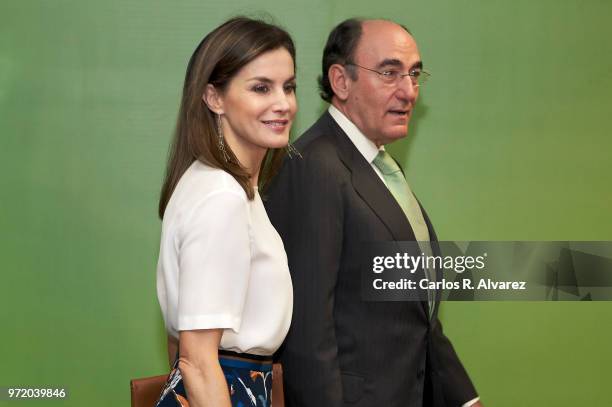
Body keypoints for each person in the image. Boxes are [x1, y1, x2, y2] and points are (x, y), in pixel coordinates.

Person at [264, 19, 481, 407]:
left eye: (415, 74)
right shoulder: (312, 166)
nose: (409, 91)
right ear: (340, 81)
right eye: (389, 72)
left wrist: (464, 399)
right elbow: (307, 336)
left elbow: (419, 318)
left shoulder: (380, 167)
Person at [155, 17, 295, 407]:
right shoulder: (221, 195)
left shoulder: (222, 186)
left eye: (289, 86)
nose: (283, 103)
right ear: (214, 98)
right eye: (261, 88)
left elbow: (182, 348)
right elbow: (197, 362)